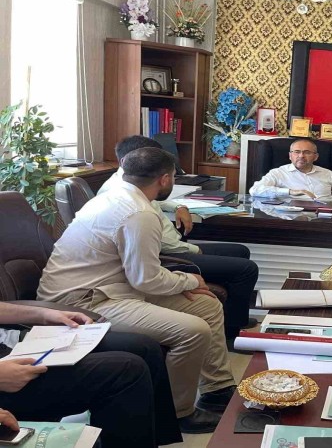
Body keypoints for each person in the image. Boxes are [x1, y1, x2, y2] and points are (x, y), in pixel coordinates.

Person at [38, 148, 238, 433]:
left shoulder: (114, 196)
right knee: (193, 330)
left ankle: (217, 389)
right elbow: (146, 279)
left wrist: (182, 282)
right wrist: (190, 280)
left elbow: (141, 274)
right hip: (82, 301)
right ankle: (175, 413)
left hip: (113, 286)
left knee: (206, 306)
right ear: (165, 179)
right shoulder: (139, 213)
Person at [100, 135, 259, 339]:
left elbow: (159, 201)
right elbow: (163, 247)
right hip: (166, 255)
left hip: (168, 247)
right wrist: (196, 250)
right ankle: (231, 334)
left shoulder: (134, 184)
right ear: (127, 161)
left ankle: (232, 318)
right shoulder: (131, 206)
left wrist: (179, 206)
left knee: (240, 251)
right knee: (246, 269)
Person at [0, 301, 182, 447]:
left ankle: (153, 441)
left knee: (145, 348)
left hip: (9, 345)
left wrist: (44, 314)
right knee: (126, 371)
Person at [249, 138, 332, 202]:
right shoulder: (278, 173)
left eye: (307, 152)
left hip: (324, 219)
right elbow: (255, 190)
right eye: (296, 152)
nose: (301, 156)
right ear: (290, 156)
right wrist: (290, 192)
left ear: (316, 157)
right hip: (290, 219)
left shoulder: (328, 174)